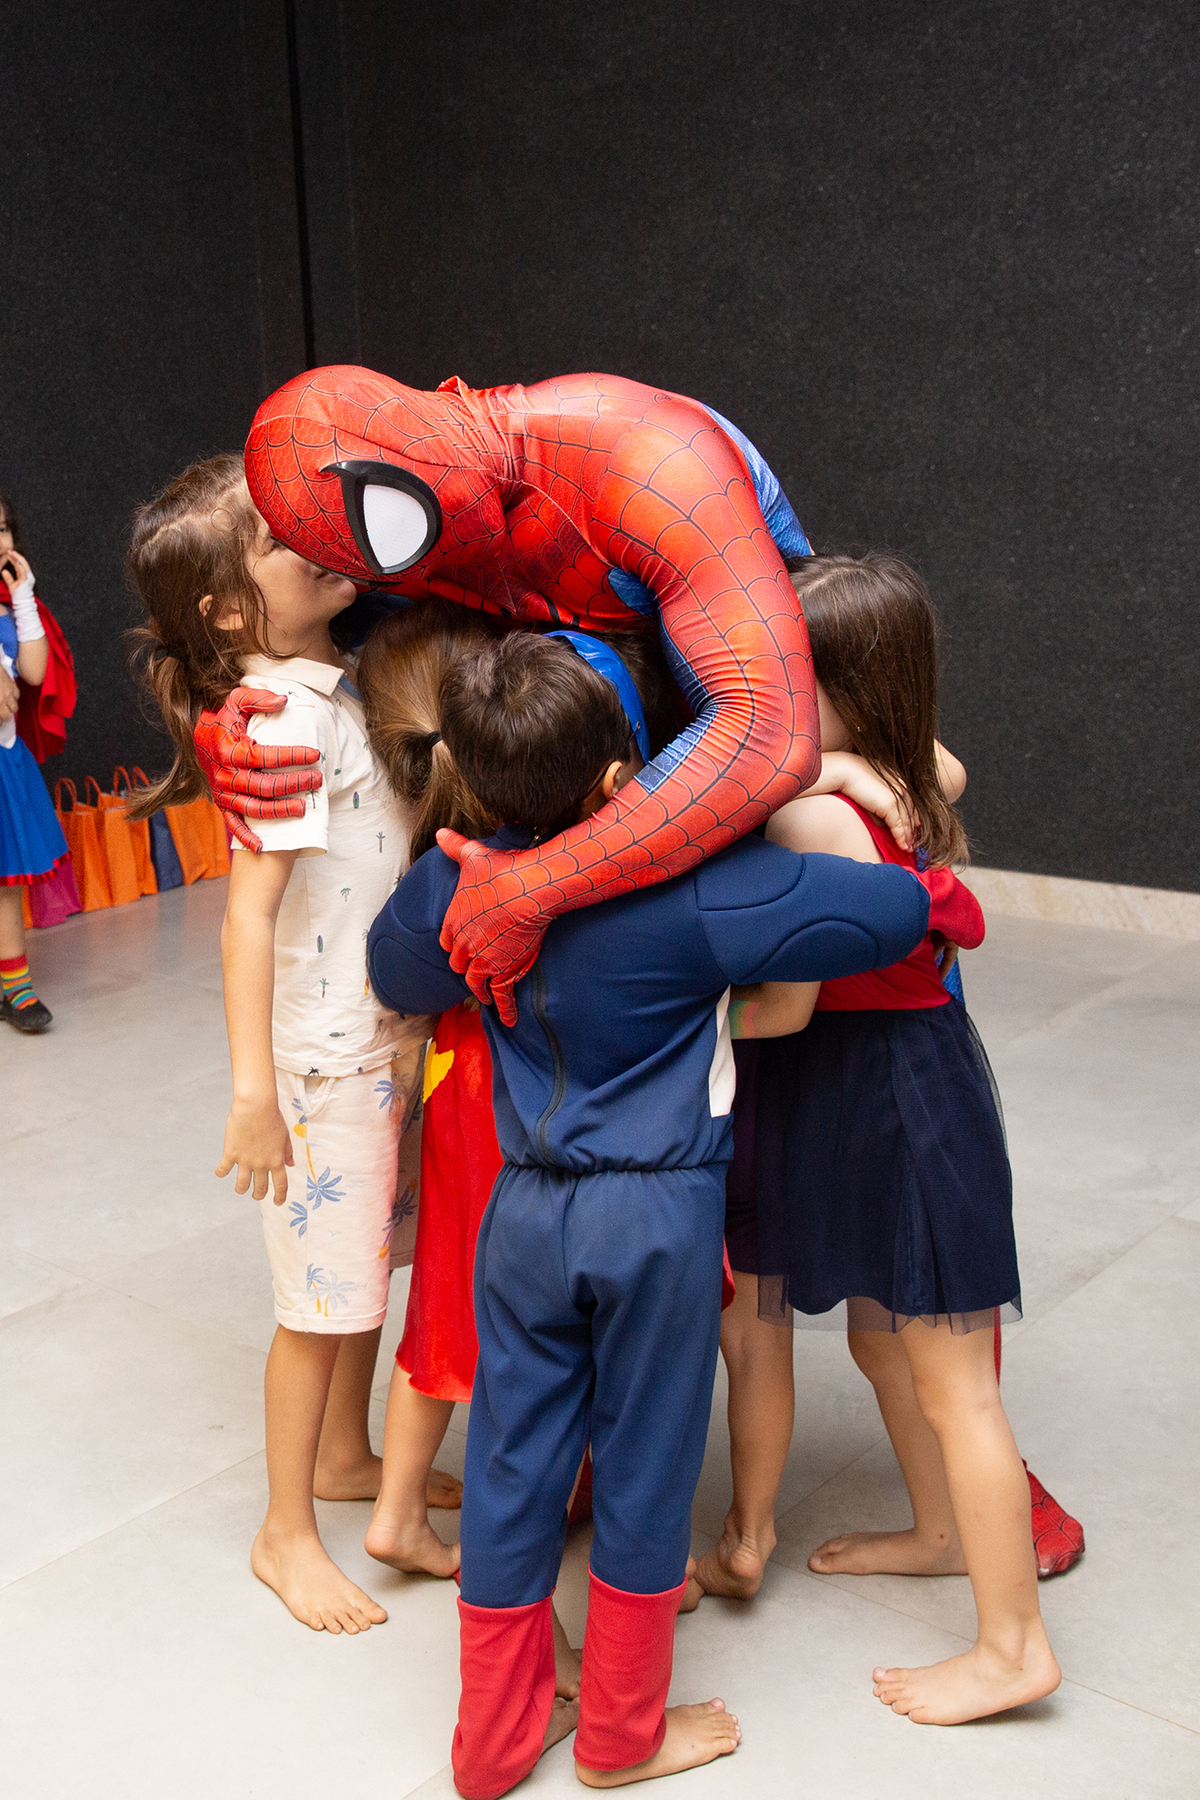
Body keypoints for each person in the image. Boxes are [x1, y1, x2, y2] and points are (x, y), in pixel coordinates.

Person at [367, 629, 932, 1796]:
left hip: (521, 1215)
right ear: (624, 782)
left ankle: (492, 1744)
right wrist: (806, 782)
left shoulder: (447, 883)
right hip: (658, 1216)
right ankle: (623, 1738)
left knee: (514, 1464)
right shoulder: (692, 894)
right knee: (646, 1465)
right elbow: (895, 911)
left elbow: (397, 969)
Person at [692, 553, 1061, 1726]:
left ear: (845, 685)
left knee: (956, 1384)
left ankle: (1015, 1649)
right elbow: (941, 762)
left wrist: (679, 1015)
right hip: (896, 1079)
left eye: (791, 673)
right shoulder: (907, 770)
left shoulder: (810, 808)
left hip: (885, 1092)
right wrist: (853, 756)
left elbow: (788, 1003)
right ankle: (945, 1530)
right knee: (886, 1347)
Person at [192, 366, 823, 1019]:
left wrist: (531, 888)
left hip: (759, 800)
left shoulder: (648, 458)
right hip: (560, 807)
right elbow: (225, 605)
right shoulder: (373, 534)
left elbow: (772, 732)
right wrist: (221, 717)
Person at [126, 454, 456, 1636]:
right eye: (278, 537)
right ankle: (284, 1532)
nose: (315, 535)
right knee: (316, 1303)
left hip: (385, 1039)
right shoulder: (278, 718)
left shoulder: (333, 684)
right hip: (327, 1062)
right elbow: (248, 918)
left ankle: (345, 1457)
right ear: (225, 608)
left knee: (362, 1268)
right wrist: (254, 1094)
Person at [0, 491, 67, 1032]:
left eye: (1, 528)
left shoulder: (9, 608)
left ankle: (14, 987)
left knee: (5, 884)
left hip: (4, 766)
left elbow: (36, 673)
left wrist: (23, 600)